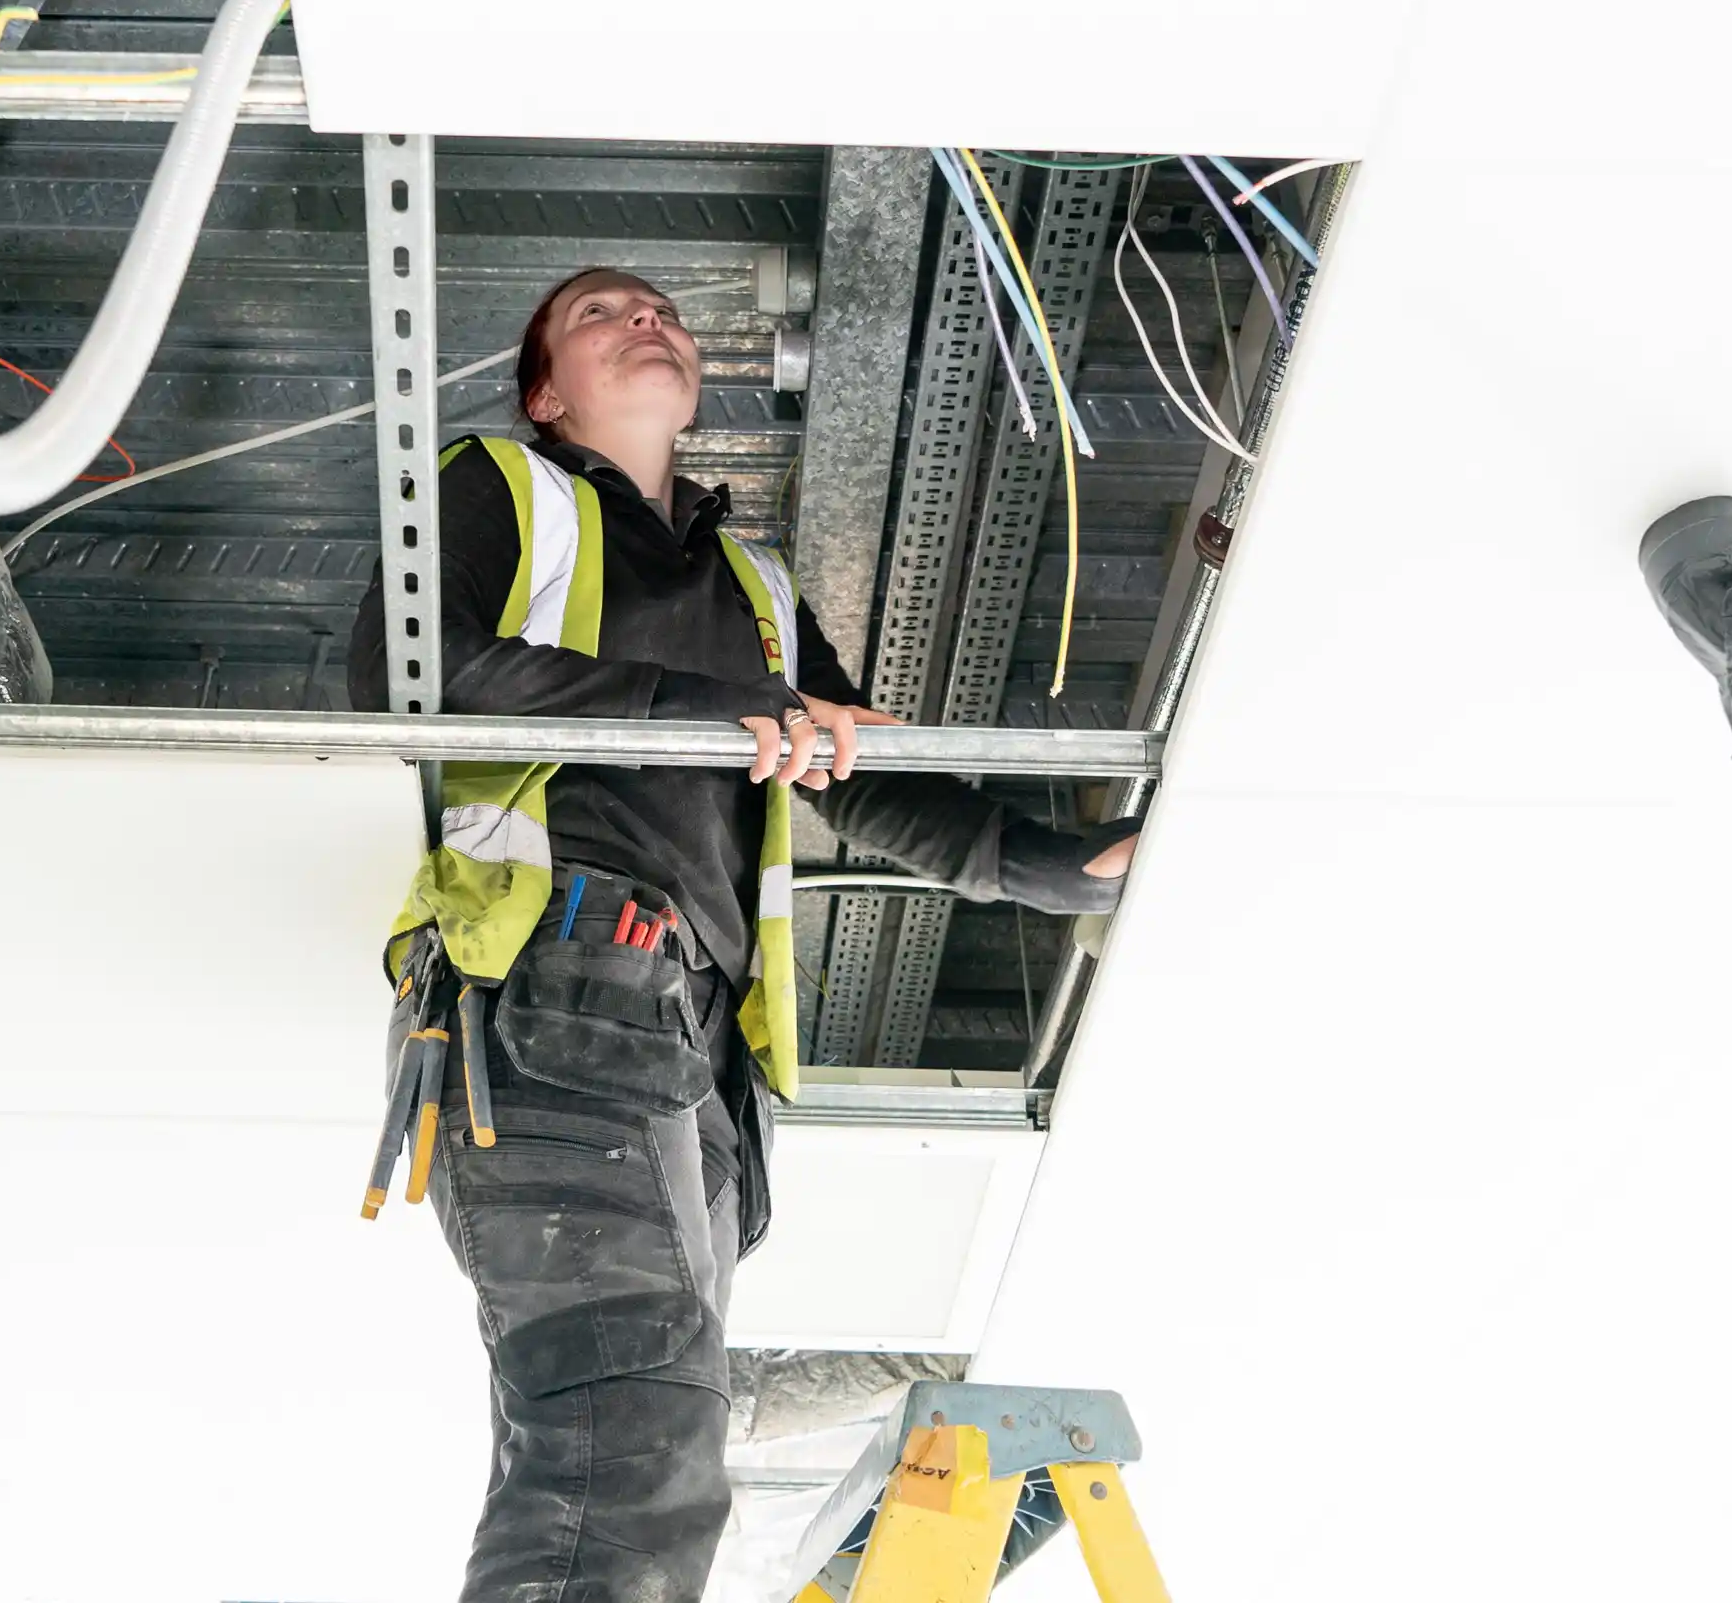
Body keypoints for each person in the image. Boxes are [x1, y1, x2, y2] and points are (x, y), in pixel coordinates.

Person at [349, 267, 1140, 1603]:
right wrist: (697, 705)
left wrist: (1059, 868)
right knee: (634, 1440)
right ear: (545, 394)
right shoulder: (498, 483)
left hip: (693, 1050)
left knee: (637, 1439)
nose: (645, 320)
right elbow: (406, 670)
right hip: (556, 988)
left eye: (662, 310)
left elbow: (850, 767)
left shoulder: (754, 580)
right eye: (600, 314)